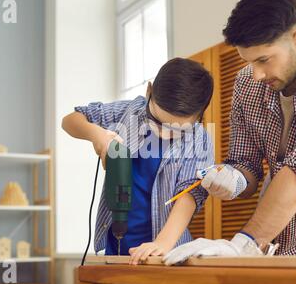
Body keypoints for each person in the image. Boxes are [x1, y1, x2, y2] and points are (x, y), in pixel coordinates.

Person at [163, 0, 296, 265]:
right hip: (270, 251)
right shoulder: (248, 83)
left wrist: (242, 245)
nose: (257, 74)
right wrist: (233, 178)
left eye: (263, 60)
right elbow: (245, 164)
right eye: (249, 62)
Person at [62, 58, 215, 264]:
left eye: (178, 129)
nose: (164, 133)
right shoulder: (128, 112)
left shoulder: (199, 139)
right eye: (158, 121)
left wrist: (162, 243)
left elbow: (189, 195)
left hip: (167, 251)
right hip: (116, 246)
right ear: (149, 91)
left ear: (200, 114)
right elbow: (71, 120)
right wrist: (97, 135)